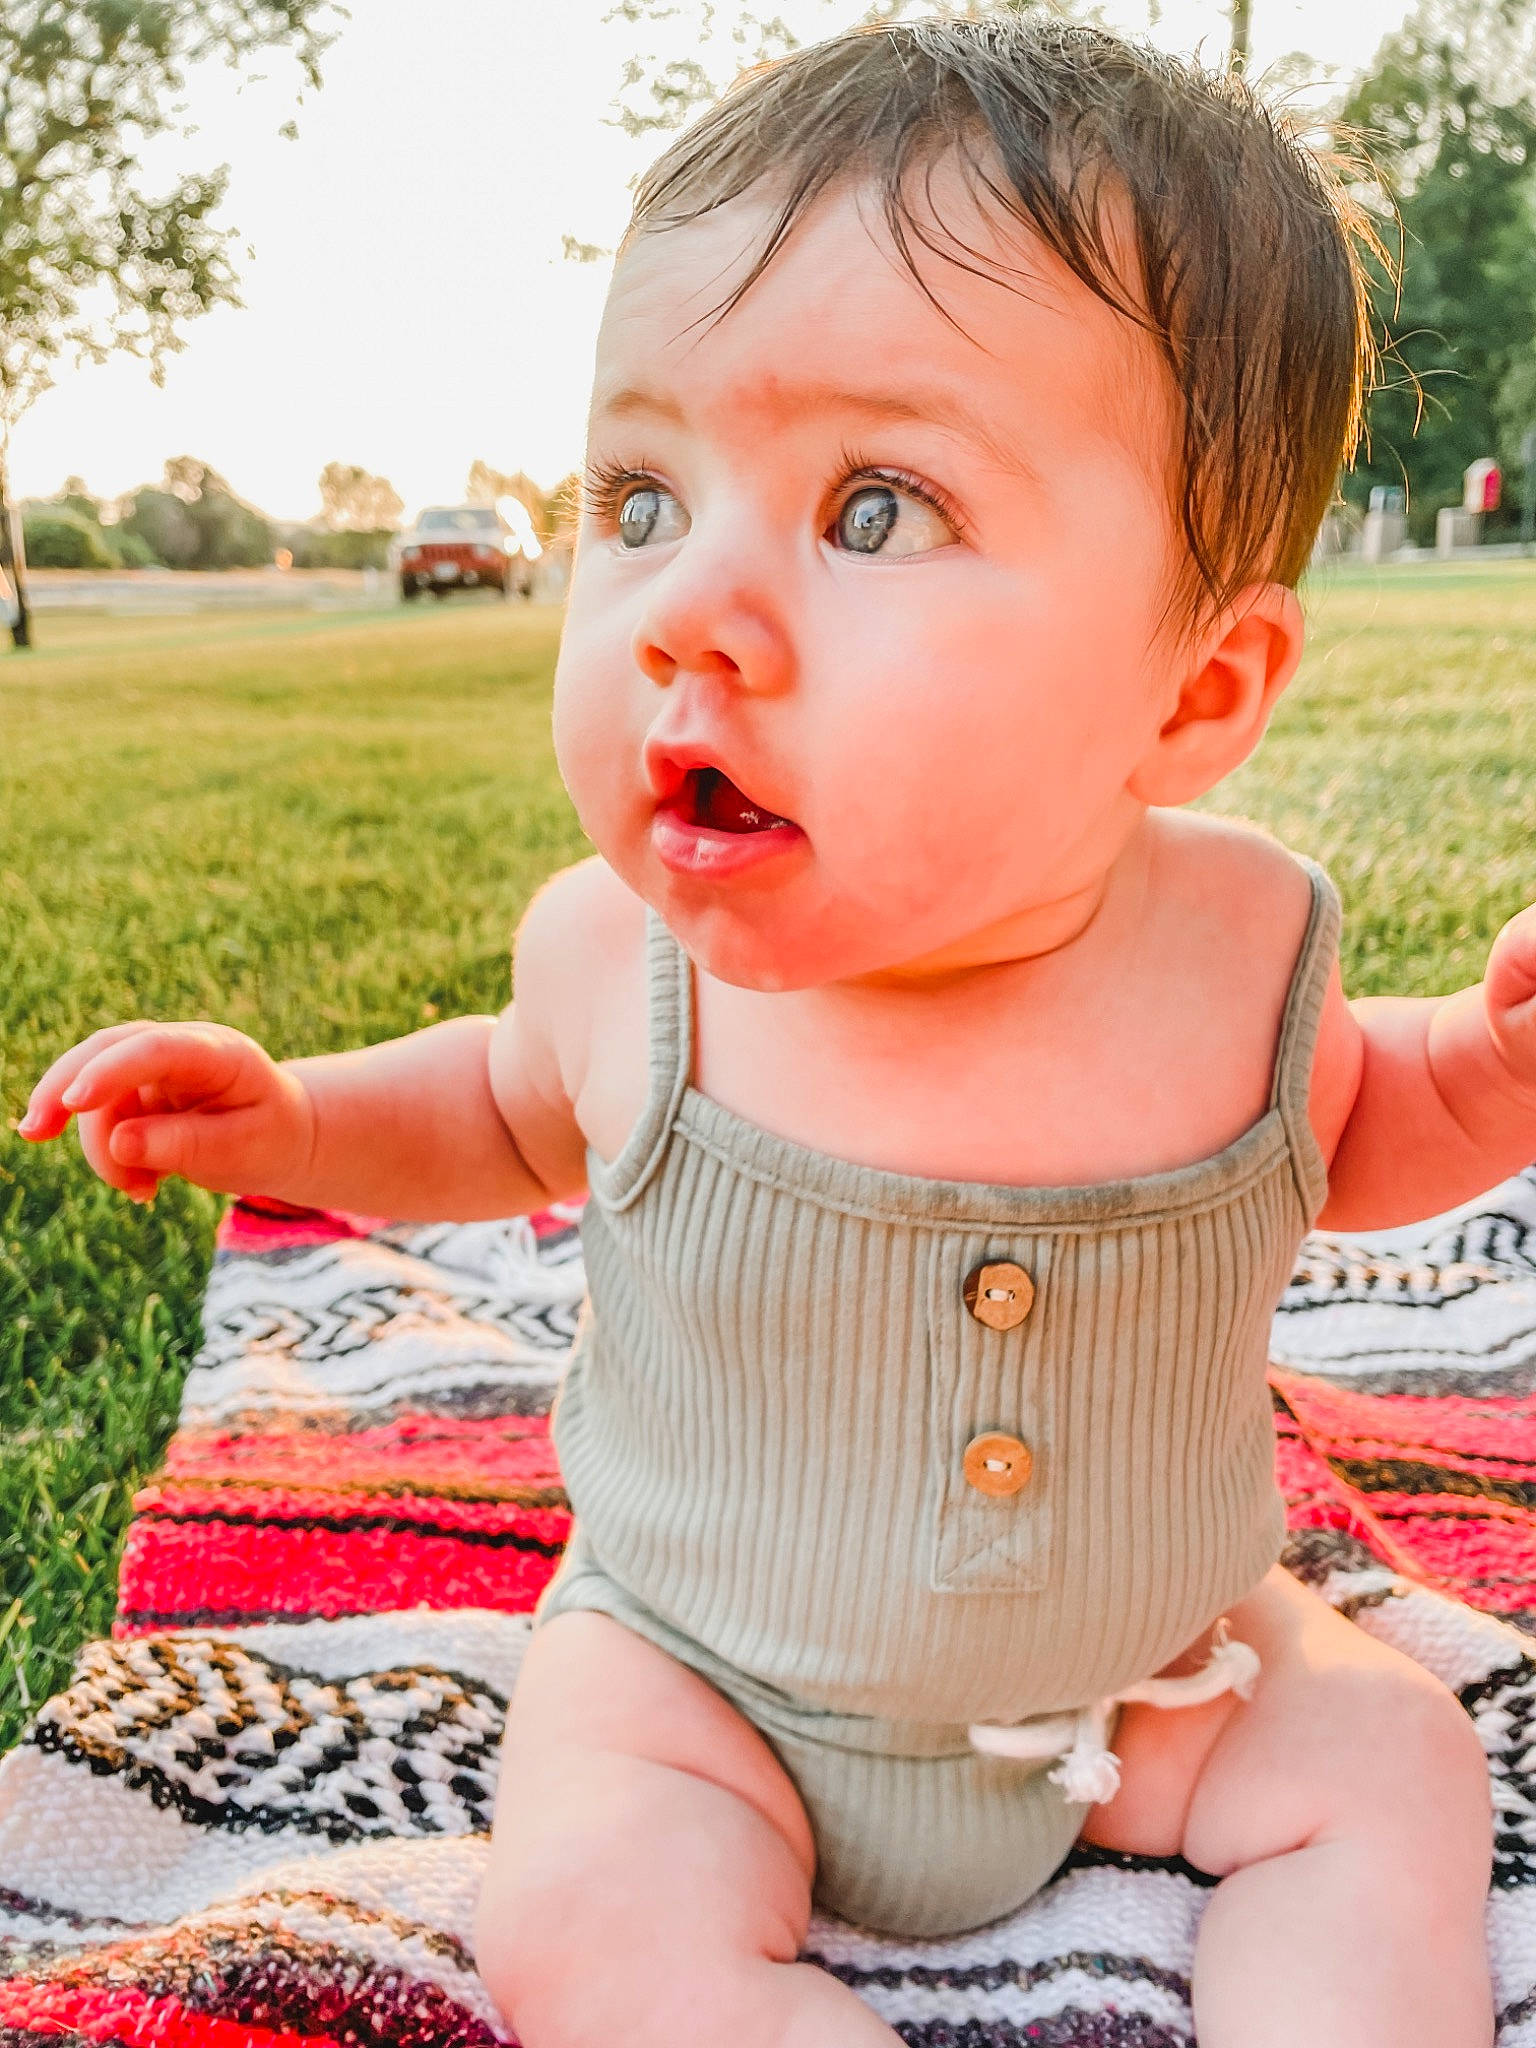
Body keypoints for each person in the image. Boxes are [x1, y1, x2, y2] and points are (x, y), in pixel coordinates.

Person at [19, 18, 1513, 2044]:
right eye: (639, 494)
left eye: (877, 507)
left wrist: (1493, 1073)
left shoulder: (1251, 950)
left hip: (1154, 1672)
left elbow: (1374, 1114)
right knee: (596, 1913)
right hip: (703, 1680)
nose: (682, 607)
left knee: (1393, 1756)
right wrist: (289, 1119)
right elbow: (482, 1106)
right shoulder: (613, 967)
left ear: (1195, 691)